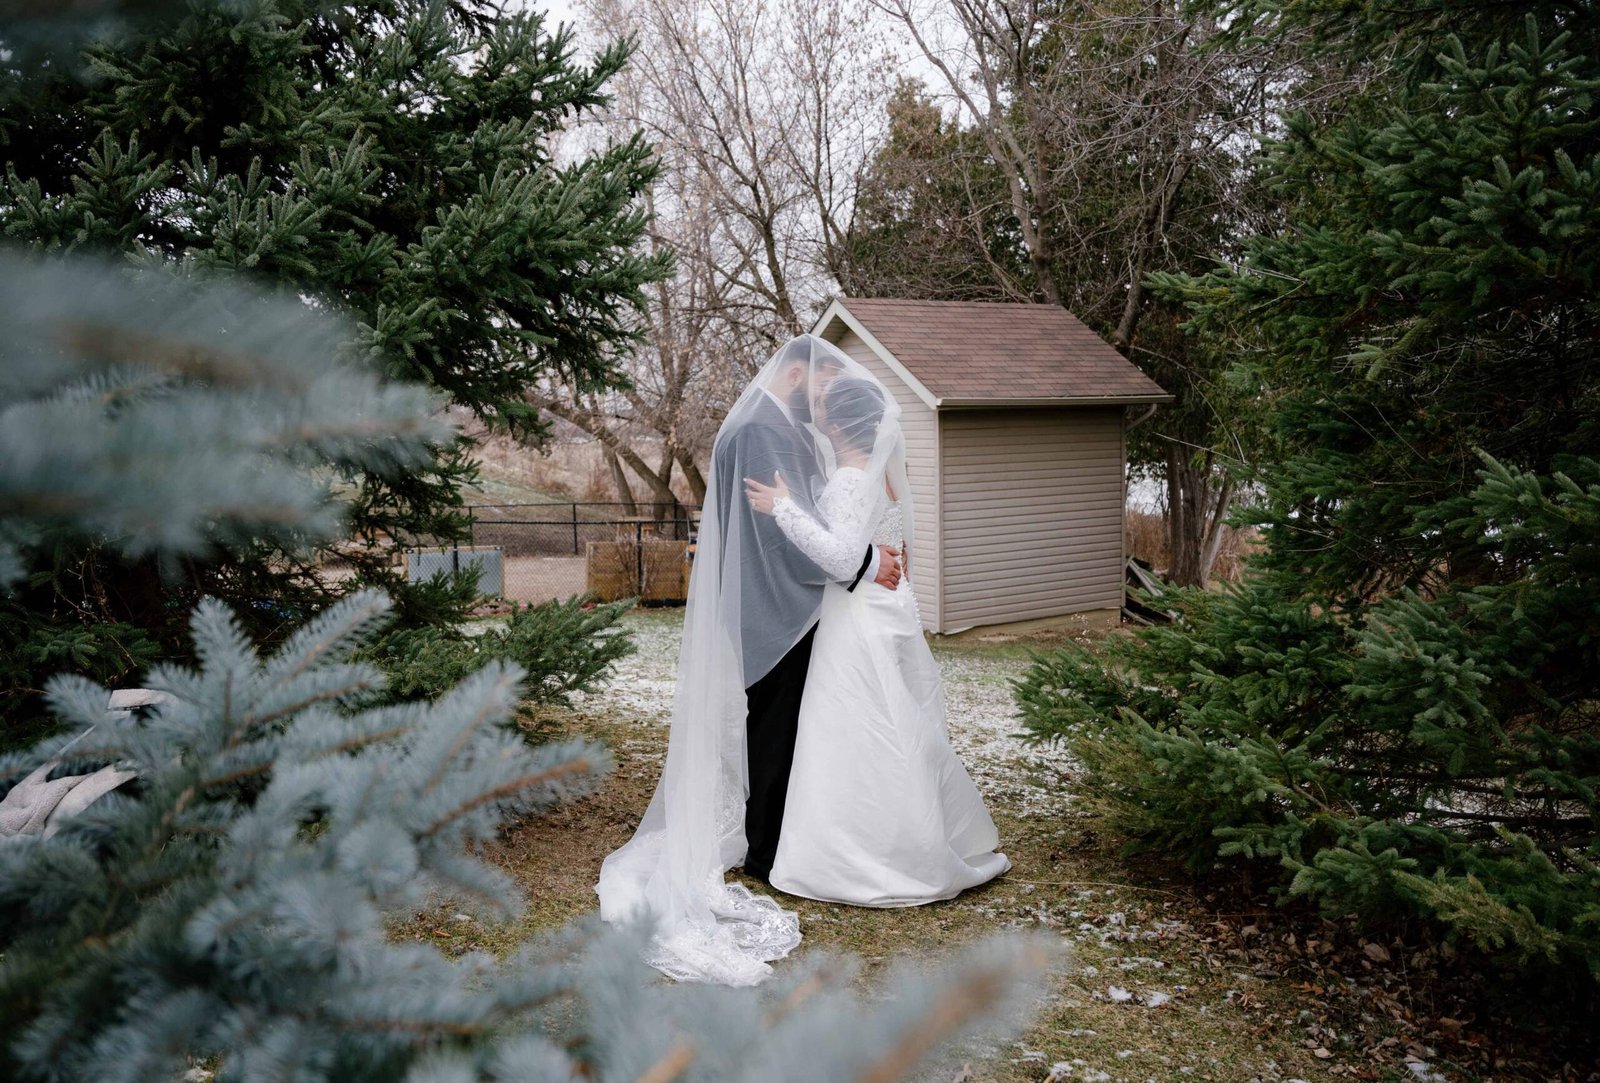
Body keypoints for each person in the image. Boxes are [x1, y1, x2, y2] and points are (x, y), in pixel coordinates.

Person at [595, 334, 902, 985]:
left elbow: (810, 516)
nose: (821, 398)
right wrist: (866, 562)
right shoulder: (765, 428)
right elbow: (784, 533)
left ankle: (780, 839)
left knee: (783, 729)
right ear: (794, 373)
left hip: (779, 603)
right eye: (817, 383)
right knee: (776, 730)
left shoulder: (767, 424)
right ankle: (767, 851)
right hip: (777, 606)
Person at [743, 375, 1010, 906]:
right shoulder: (885, 476)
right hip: (889, 608)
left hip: (856, 618)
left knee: (853, 726)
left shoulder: (848, 479)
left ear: (841, 424)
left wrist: (785, 508)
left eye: (823, 404)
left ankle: (856, 847)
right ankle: (906, 832)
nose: (815, 409)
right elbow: (883, 545)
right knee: (891, 719)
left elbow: (842, 557)